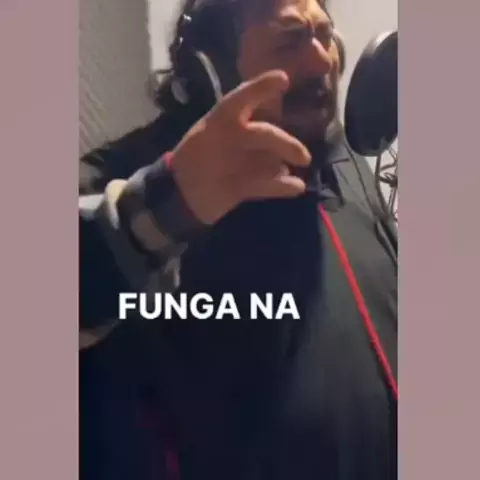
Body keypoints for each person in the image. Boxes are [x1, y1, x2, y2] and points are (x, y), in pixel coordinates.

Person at [79, 0, 397, 479]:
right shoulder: (130, 176)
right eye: (290, 40)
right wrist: (169, 203)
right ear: (211, 71)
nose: (322, 61)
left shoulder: (347, 169)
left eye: (324, 35)